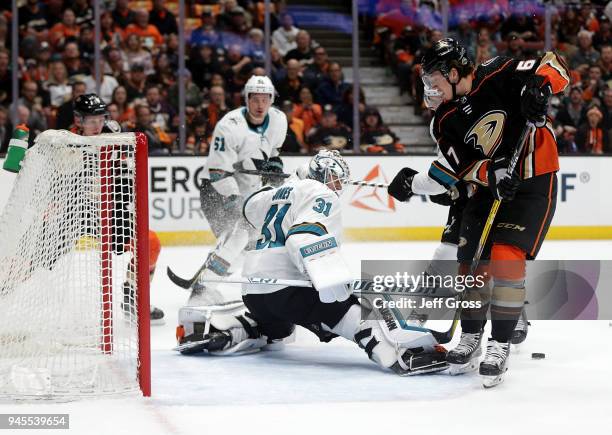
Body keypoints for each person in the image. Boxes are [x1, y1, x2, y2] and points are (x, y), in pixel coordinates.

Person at [387, 38, 569, 386]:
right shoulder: (443, 121)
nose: (430, 88)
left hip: (534, 181)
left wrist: (541, 90)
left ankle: (498, 344)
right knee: (470, 264)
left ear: (454, 73)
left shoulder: (499, 72)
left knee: (506, 258)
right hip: (489, 188)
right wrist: (490, 173)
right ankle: (470, 335)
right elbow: (463, 168)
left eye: (433, 79)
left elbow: (555, 65)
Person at [176, 150, 448, 376]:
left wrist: (288, 184)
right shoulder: (321, 193)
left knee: (279, 329)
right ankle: (401, 353)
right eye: (336, 179)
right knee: (351, 308)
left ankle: (232, 329)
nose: (338, 186)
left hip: (254, 292)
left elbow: (250, 209)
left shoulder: (279, 191)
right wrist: (328, 276)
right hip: (286, 288)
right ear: (324, 174)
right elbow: (304, 235)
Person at [193, 75, 288, 302]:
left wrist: (274, 169)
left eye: (265, 99)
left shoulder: (279, 120)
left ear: (272, 100)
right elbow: (218, 172)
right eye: (255, 99)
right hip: (216, 190)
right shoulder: (229, 126)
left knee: (250, 243)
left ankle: (210, 278)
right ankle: (204, 287)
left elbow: (273, 154)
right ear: (246, 99)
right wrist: (234, 200)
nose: (260, 105)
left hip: (248, 191)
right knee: (239, 236)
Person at [71, 93, 164, 324]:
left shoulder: (113, 133)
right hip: (74, 211)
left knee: (150, 243)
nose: (96, 125)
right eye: (90, 120)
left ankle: (133, 297)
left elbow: (127, 165)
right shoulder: (66, 141)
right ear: (78, 121)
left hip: (110, 211)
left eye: (99, 118)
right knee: (40, 255)